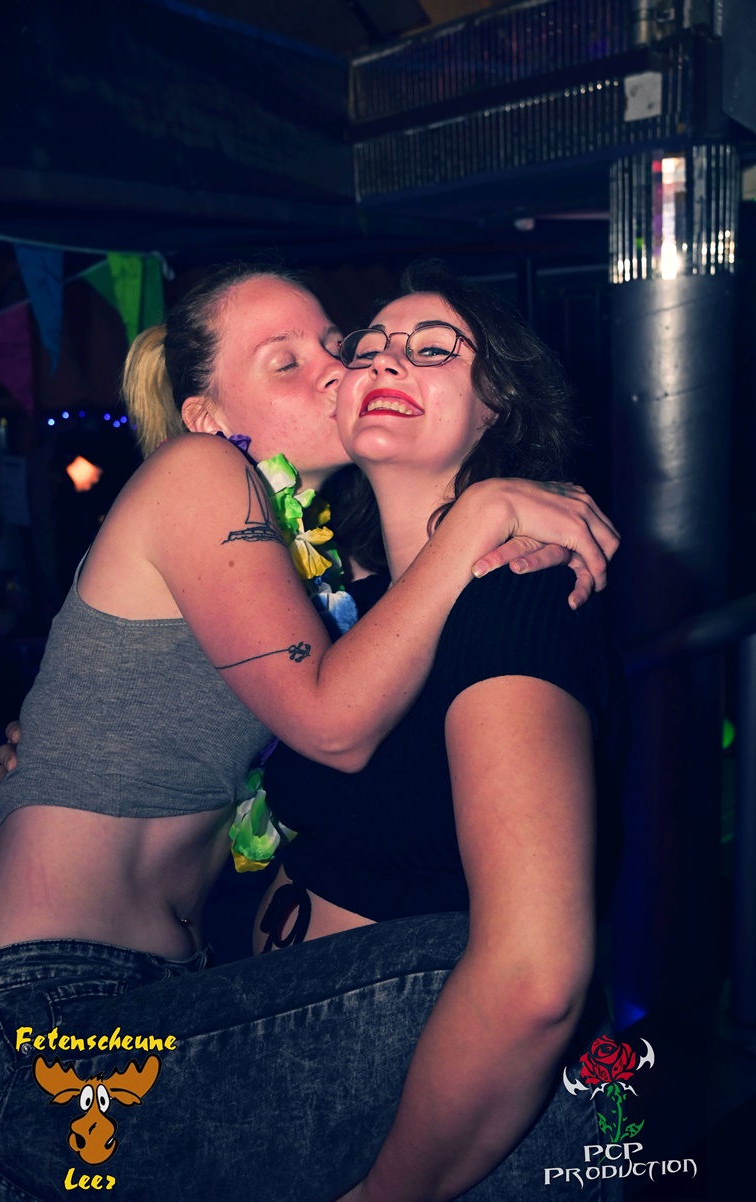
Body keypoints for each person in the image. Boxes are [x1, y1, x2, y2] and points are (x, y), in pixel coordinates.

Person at [0, 263, 618, 1202]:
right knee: (502, 1005)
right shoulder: (200, 471)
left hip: (176, 988)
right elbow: (330, 722)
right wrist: (484, 511)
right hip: (46, 1006)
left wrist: (511, 511)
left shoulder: (335, 585)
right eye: (285, 361)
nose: (339, 368)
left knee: (515, 1023)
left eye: (333, 347)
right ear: (205, 416)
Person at [256, 263, 625, 1200]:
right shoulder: (349, 606)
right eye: (369, 348)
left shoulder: (517, 592)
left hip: (422, 1112)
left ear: (502, 407)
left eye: (432, 351)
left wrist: (390, 1192)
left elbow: (535, 979)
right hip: (300, 1073)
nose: (386, 361)